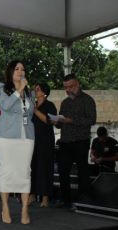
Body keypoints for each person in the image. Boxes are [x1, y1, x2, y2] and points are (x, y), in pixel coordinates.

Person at [0, 60, 35, 224]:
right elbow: (5, 105)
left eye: (23, 69)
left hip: (26, 136)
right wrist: (18, 90)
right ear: (11, 71)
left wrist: (23, 91)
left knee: (25, 171)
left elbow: (30, 114)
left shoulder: (29, 92)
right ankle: (5, 207)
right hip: (6, 136)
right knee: (7, 171)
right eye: (17, 69)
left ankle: (25, 208)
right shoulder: (1, 88)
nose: (21, 72)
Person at [55, 73, 96, 207]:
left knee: (82, 171)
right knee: (63, 171)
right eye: (65, 87)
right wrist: (56, 121)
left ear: (77, 84)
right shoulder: (65, 102)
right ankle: (65, 199)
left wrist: (71, 120)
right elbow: (61, 122)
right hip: (65, 141)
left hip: (81, 141)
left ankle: (82, 200)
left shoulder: (87, 100)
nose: (68, 90)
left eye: (70, 87)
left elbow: (91, 120)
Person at [29, 82, 57, 207]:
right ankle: (32, 195)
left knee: (45, 168)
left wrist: (35, 110)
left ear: (44, 92)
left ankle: (45, 197)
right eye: (35, 89)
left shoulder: (50, 105)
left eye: (38, 89)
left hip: (45, 141)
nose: (36, 90)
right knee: (32, 167)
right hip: (32, 140)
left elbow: (49, 120)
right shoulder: (32, 105)